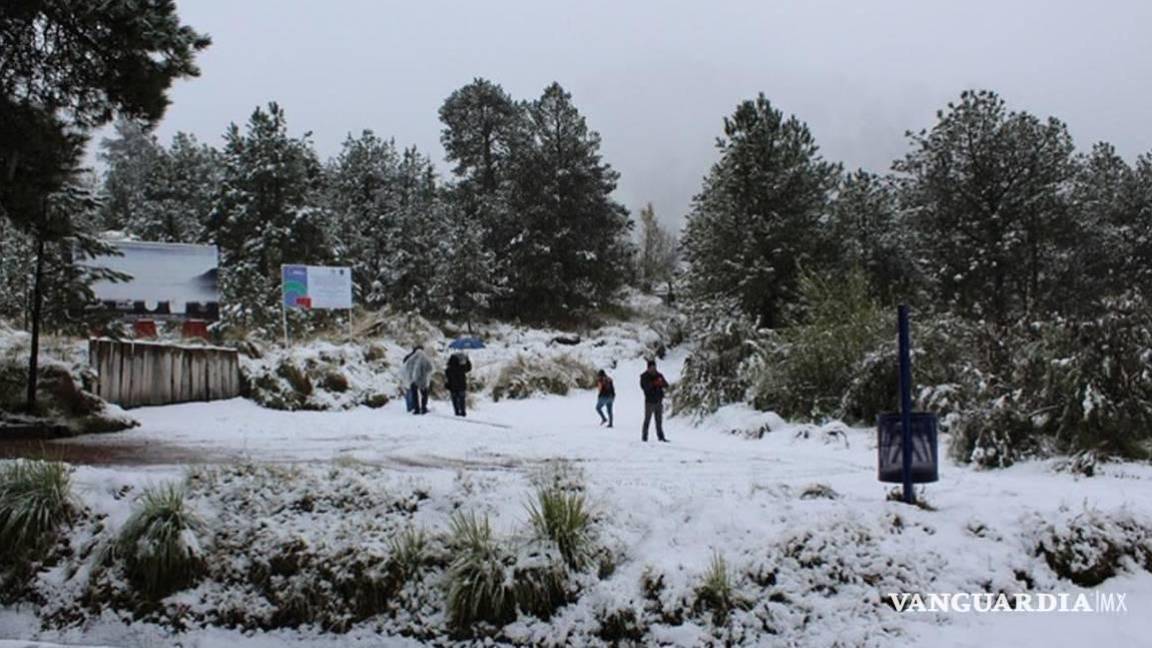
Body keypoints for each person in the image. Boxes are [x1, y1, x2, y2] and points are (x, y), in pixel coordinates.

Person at [639, 359, 669, 442]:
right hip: (649, 401)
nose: (653, 369)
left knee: (659, 421)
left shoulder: (659, 375)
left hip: (658, 401)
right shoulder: (644, 376)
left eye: (654, 367)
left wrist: (661, 383)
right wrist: (654, 383)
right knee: (647, 420)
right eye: (651, 367)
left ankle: (661, 437)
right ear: (648, 368)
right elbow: (645, 387)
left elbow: (666, 385)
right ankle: (644, 437)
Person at [402, 345, 434, 415]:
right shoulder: (425, 357)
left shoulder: (410, 357)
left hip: (412, 380)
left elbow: (405, 367)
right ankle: (423, 408)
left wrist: (409, 377)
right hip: (422, 380)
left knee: (414, 394)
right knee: (424, 394)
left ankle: (416, 409)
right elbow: (430, 368)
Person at [445, 351, 472, 417]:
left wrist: (447, 385)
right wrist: (467, 360)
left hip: (452, 387)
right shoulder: (461, 367)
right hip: (461, 386)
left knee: (454, 400)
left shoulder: (448, 370)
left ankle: (456, 412)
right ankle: (463, 412)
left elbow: (447, 379)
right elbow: (469, 368)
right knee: (462, 400)